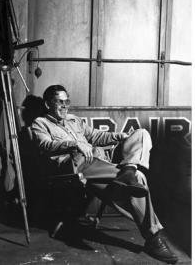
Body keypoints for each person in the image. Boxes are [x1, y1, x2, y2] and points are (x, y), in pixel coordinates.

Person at [30, 84, 178, 264]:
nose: (65, 105)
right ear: (47, 104)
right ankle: (127, 175)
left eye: (67, 101)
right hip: (74, 167)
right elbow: (44, 145)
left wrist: (121, 136)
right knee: (84, 155)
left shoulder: (74, 120)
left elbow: (97, 136)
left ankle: (152, 236)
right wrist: (74, 144)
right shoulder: (40, 123)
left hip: (98, 167)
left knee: (141, 136)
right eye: (59, 102)